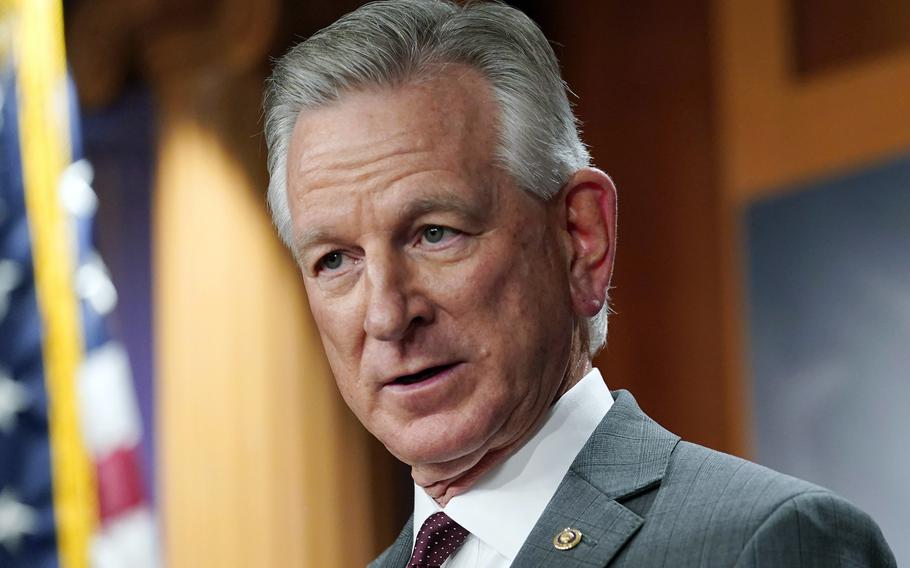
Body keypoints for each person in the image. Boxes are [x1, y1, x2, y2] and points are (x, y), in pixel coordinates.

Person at [262, 1, 896, 566]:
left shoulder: (766, 544)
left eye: (435, 233)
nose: (386, 316)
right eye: (336, 260)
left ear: (580, 237)